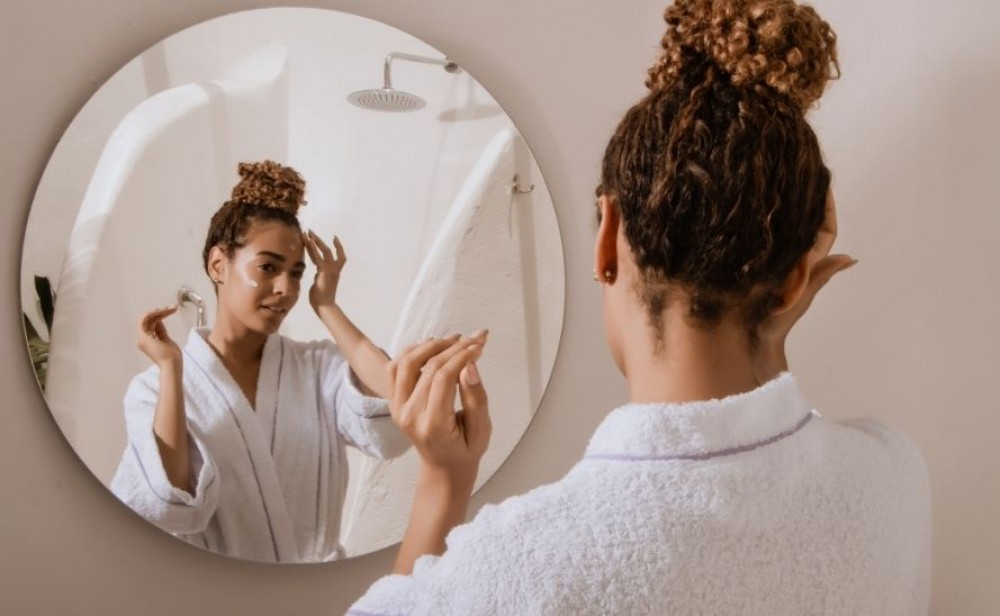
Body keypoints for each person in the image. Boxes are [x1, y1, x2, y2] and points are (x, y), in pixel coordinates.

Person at [348, 0, 931, 613]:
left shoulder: (514, 574)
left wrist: (443, 482)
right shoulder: (892, 477)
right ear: (790, 284)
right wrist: (770, 334)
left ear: (608, 236)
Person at [110, 160, 415, 563]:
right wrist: (171, 368)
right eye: (268, 267)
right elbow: (170, 504)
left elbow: (397, 422)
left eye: (296, 273)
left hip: (322, 596)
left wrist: (327, 306)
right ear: (219, 265)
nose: (285, 289)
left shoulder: (317, 368)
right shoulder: (152, 389)